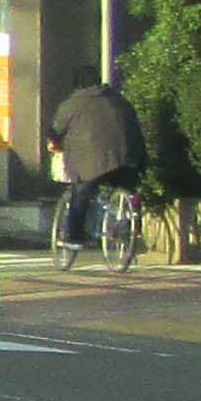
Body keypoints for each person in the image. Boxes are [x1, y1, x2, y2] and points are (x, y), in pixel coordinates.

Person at [45, 74, 145, 262]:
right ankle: (132, 222)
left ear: (77, 86)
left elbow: (55, 131)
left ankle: (73, 236)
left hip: (93, 162)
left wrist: (54, 143)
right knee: (126, 187)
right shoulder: (118, 99)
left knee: (80, 193)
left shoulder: (72, 104)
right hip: (129, 158)